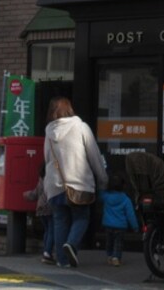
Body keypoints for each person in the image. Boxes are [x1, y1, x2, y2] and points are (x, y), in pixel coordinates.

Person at [43, 96, 108, 268]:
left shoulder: (49, 132)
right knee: (82, 217)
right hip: (78, 183)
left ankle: (62, 261)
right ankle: (71, 244)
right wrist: (102, 178)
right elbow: (94, 155)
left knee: (59, 221)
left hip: (54, 185)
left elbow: (47, 158)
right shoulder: (81, 127)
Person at [100, 172, 139, 266]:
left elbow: (99, 194)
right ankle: (116, 257)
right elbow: (130, 214)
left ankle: (109, 256)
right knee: (118, 243)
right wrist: (135, 227)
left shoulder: (106, 196)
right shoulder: (126, 199)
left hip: (108, 224)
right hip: (120, 226)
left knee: (109, 242)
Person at [23, 163, 54, 264]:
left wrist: (25, 194)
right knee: (51, 231)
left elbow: (35, 194)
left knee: (47, 230)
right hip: (50, 207)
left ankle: (46, 250)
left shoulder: (41, 180)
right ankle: (47, 252)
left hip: (40, 208)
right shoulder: (52, 180)